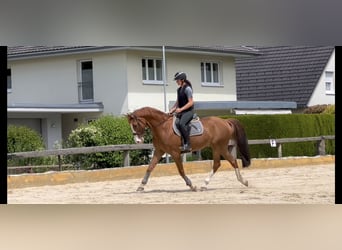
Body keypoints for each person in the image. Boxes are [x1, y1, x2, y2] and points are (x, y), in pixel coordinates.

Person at [169, 71, 194, 153]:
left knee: (181, 124)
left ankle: (188, 144)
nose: (176, 81)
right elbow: (178, 101)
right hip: (182, 112)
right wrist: (173, 108)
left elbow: (191, 102)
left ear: (182, 80)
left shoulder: (188, 89)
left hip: (189, 112)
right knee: (176, 123)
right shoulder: (179, 89)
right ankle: (182, 143)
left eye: (178, 80)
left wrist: (180, 109)